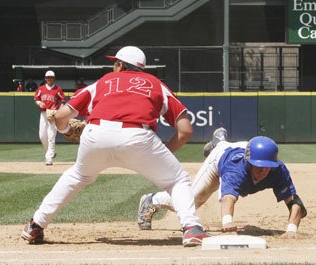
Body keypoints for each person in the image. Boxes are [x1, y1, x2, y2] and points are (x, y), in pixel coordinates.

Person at [21, 46, 210, 247]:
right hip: (138, 137)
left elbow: (59, 116)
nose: (113, 66)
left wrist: (67, 130)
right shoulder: (156, 84)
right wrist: (162, 155)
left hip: (96, 134)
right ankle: (191, 228)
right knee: (177, 180)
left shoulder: (103, 82)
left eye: (115, 63)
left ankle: (35, 225)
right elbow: (185, 130)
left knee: (77, 176)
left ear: (119, 65)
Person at [137, 128, 307, 239]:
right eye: (259, 166)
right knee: (191, 202)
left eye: (268, 167)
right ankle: (151, 200)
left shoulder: (278, 169)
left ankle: (220, 140)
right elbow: (228, 198)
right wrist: (227, 221)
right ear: (249, 163)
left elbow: (294, 202)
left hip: (242, 151)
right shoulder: (236, 168)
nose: (264, 171)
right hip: (220, 160)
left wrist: (291, 229)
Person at [34, 70, 66, 165]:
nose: (49, 79)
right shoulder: (41, 89)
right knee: (42, 136)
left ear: (54, 79)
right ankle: (51, 152)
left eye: (51, 77)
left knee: (51, 136)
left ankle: (49, 158)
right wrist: (39, 103)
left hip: (53, 114)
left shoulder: (58, 89)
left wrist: (60, 108)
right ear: (45, 78)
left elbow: (63, 100)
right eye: (48, 77)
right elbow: (36, 99)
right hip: (44, 114)